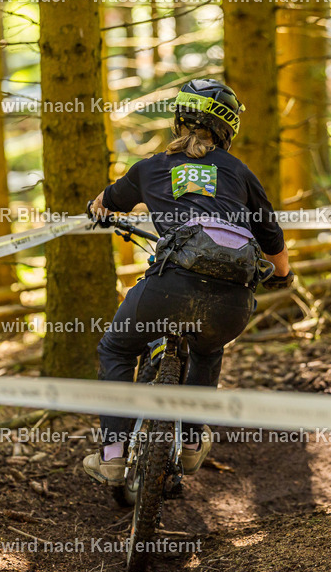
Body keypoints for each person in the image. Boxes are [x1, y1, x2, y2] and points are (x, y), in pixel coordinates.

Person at [83, 78, 292, 485]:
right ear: (227, 128)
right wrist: (281, 276)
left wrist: (99, 211)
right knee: (208, 350)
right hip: (231, 300)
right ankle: (193, 442)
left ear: (178, 119)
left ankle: (112, 455)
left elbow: (104, 203)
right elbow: (272, 237)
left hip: (167, 287)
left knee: (116, 348)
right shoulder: (238, 172)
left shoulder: (150, 169)